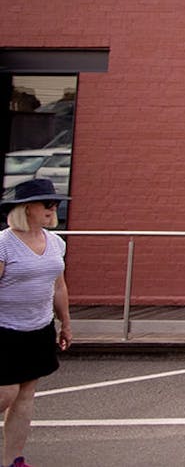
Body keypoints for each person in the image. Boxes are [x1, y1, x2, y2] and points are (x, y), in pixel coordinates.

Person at [0, 179, 71, 467]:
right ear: (25, 208)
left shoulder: (55, 242)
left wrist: (65, 322)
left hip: (39, 328)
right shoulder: (4, 244)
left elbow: (59, 287)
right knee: (6, 392)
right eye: (47, 203)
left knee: (26, 395)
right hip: (5, 329)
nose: (53, 208)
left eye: (56, 204)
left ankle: (13, 460)